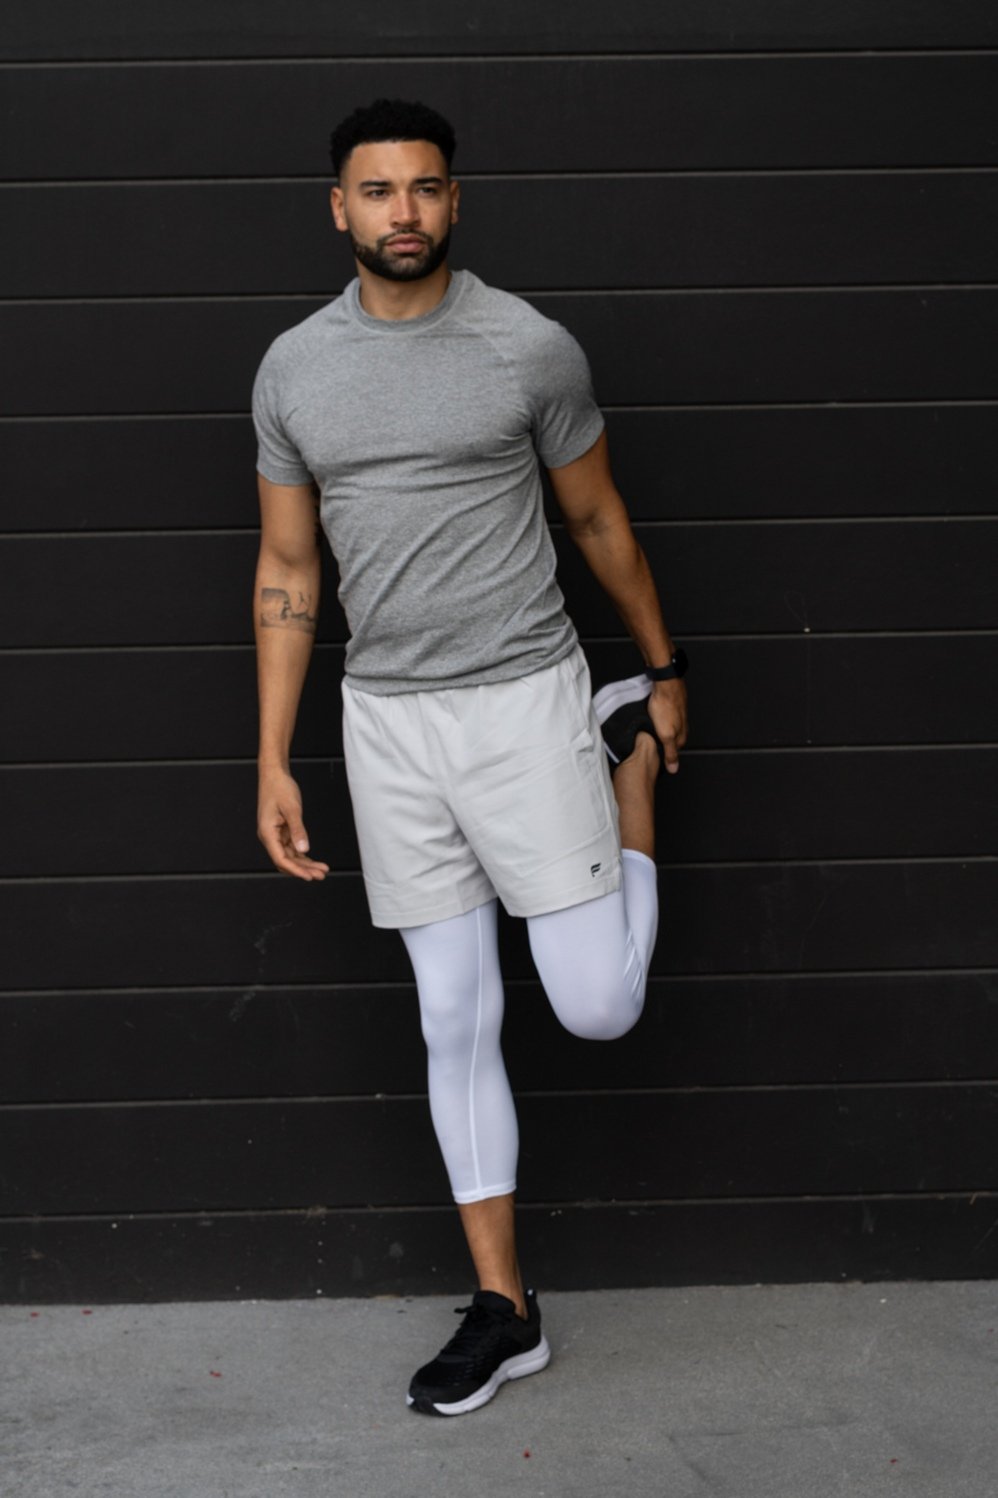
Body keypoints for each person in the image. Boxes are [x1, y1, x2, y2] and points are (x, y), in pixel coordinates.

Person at [252, 98, 689, 1417]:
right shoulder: (293, 370)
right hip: (387, 724)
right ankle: (506, 1307)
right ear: (338, 207)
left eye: (426, 188)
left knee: (598, 1004)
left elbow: (597, 515)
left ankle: (620, 767)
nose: (405, 212)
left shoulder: (526, 347)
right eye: (379, 190)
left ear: (455, 200)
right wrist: (273, 756)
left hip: (523, 704)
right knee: (454, 1015)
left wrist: (662, 667)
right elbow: (288, 567)